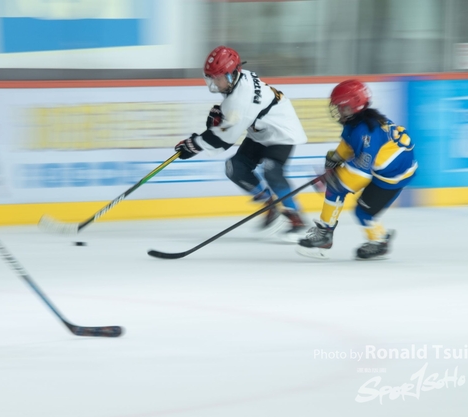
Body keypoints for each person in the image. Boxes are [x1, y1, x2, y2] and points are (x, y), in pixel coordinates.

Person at [174, 45, 309, 241]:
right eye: (212, 77)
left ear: (232, 74)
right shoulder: (238, 80)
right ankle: (269, 205)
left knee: (272, 171)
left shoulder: (241, 99)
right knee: (234, 168)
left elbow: (225, 140)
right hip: (261, 131)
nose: (214, 82)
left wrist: (193, 145)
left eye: (218, 78)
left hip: (282, 132)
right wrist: (222, 118)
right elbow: (230, 119)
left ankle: (297, 220)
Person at [297, 79, 418, 260]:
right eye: (337, 106)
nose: (338, 110)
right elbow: (350, 145)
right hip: (384, 168)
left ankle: (375, 241)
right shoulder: (359, 122)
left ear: (354, 106)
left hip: (393, 177)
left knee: (361, 210)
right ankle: (328, 234)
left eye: (342, 107)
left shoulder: (366, 132)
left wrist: (335, 179)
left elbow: (361, 173)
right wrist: (336, 159)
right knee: (343, 194)